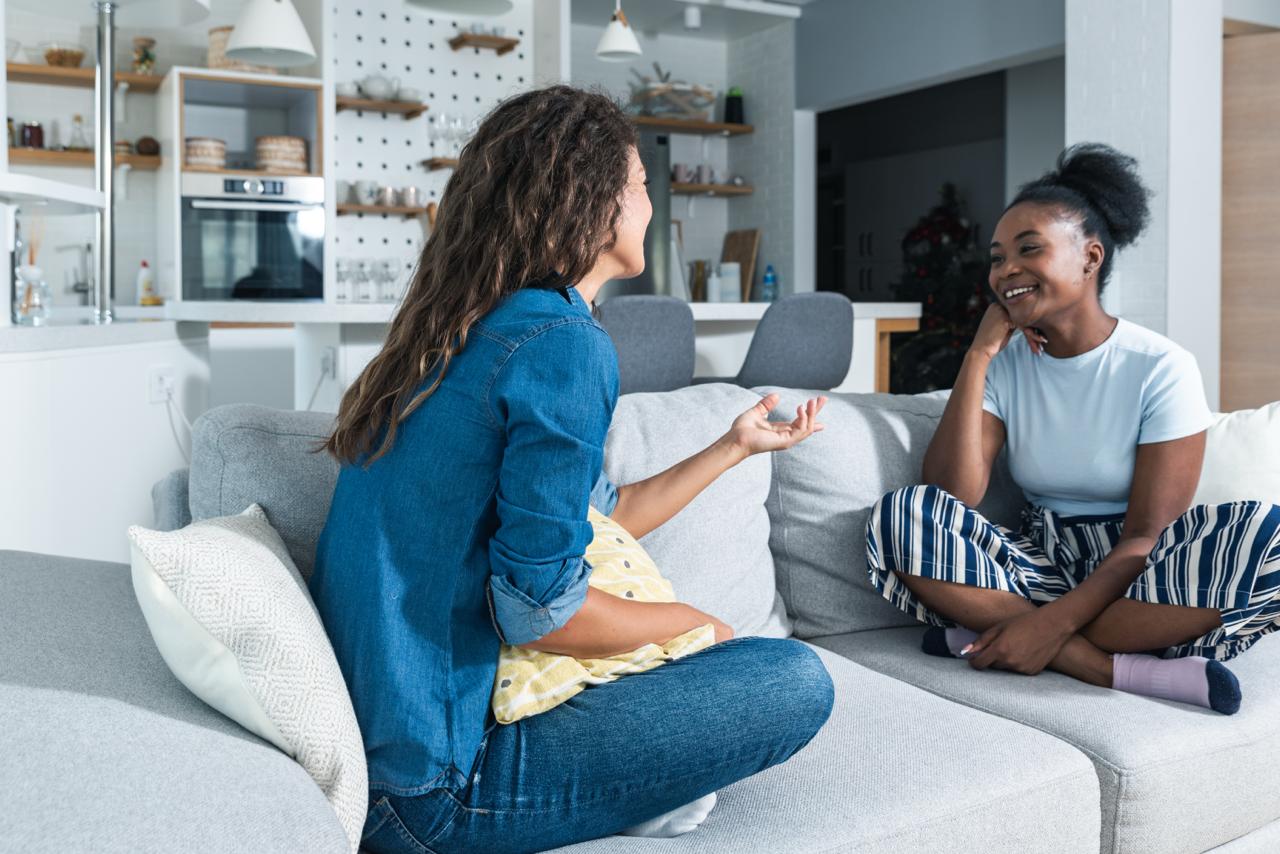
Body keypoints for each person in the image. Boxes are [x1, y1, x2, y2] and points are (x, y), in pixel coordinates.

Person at [309, 85, 834, 854]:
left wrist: (733, 446)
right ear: (596, 205)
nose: (650, 209)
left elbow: (594, 519)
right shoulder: (561, 342)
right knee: (796, 679)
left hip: (392, 765)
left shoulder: (466, 330)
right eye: (642, 187)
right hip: (437, 791)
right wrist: (697, 623)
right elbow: (540, 613)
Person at [867, 143, 1280, 716]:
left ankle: (990, 633)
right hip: (1041, 561)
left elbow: (1146, 535)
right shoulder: (1005, 365)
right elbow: (951, 494)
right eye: (995, 257)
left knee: (1274, 536)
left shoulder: (1160, 366)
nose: (1005, 269)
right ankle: (1103, 666)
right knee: (905, 513)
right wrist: (980, 355)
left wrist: (1049, 622)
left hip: (1136, 573)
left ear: (1090, 258)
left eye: (1028, 249)